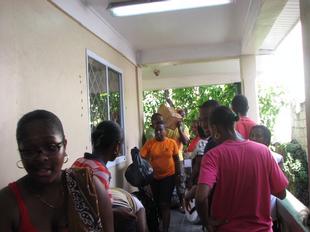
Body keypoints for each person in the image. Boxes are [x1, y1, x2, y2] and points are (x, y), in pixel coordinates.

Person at [0, 109, 113, 232]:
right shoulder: (7, 203)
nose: (41, 157)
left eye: (51, 147)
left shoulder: (89, 187)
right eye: (29, 150)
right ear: (20, 151)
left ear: (64, 146)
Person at [196, 106, 289, 232]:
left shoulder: (213, 156)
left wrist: (207, 222)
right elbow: (281, 193)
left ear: (214, 128)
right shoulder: (263, 151)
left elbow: (201, 197)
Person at [72, 120, 148, 232]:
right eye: (120, 145)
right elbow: (101, 210)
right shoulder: (100, 172)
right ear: (116, 147)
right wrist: (118, 212)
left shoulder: (79, 161)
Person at [140, 120, 180, 232]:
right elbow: (141, 157)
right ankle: (161, 222)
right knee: (157, 204)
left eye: (160, 130)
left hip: (169, 176)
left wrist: (178, 174)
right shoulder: (150, 143)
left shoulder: (172, 143)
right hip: (154, 178)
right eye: (156, 130)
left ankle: (165, 229)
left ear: (165, 131)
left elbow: (177, 160)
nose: (158, 132)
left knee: (164, 203)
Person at [249, 125, 284, 231]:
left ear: (267, 141)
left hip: (269, 211)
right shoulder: (245, 157)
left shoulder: (277, 158)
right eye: (252, 136)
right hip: (250, 213)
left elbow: (281, 188)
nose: (253, 138)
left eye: (258, 136)